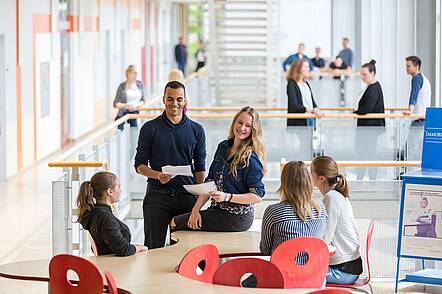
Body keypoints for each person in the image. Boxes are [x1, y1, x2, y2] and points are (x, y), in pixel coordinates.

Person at [134, 80, 206, 249]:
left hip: (186, 196)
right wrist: (157, 175)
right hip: (157, 196)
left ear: (185, 101)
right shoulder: (149, 128)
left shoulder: (197, 130)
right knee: (153, 248)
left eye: (179, 99)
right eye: (170, 99)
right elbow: (139, 165)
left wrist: (199, 197)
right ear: (164, 99)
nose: (175, 103)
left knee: (187, 250)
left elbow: (200, 167)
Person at [171, 106, 266, 232]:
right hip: (218, 210)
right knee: (183, 220)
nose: (242, 128)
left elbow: (256, 196)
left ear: (253, 130)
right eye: (240, 122)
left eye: (247, 125)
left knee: (175, 223)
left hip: (237, 216)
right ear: (234, 123)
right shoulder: (223, 147)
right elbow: (209, 183)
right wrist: (195, 210)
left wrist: (227, 197)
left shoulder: (250, 158)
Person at [310, 156, 363, 284]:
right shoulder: (337, 194)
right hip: (348, 266)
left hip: (343, 271)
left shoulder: (332, 198)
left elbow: (325, 239)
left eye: (311, 171)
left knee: (298, 272)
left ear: (321, 178)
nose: (308, 174)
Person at [260, 160, 327, 255]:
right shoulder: (321, 210)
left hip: (282, 269)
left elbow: (265, 250)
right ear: (308, 181)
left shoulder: (274, 212)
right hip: (315, 269)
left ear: (284, 182)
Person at [77, 171, 148, 256]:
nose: (120, 190)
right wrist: (140, 248)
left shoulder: (95, 212)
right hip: (114, 265)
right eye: (118, 187)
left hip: (109, 263)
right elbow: (123, 249)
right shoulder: (104, 217)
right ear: (110, 191)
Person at [353, 60, 385, 180]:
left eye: (364, 74)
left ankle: (371, 179)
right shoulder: (369, 87)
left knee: (369, 153)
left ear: (373, 73)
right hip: (366, 127)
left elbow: (367, 107)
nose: (362, 77)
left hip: (370, 127)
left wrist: (356, 111)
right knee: (362, 153)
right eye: (361, 74)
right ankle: (361, 178)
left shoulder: (374, 88)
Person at [286, 60, 322, 127]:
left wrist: (316, 109)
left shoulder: (306, 84)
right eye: (306, 67)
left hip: (311, 118)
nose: (308, 69)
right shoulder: (291, 84)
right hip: (299, 121)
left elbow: (312, 102)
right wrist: (311, 110)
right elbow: (294, 105)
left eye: (308, 67)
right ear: (298, 69)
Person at [113, 65, 145, 131]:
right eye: (134, 73)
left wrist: (136, 106)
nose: (136, 75)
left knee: (135, 135)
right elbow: (116, 104)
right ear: (128, 73)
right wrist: (127, 105)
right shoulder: (122, 86)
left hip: (135, 114)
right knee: (122, 137)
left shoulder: (139, 84)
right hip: (123, 114)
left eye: (137, 73)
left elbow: (143, 101)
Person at [403, 56, 431, 126]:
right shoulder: (424, 78)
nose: (406, 68)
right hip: (423, 118)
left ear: (416, 67)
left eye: (408, 66)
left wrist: (410, 110)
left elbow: (414, 95)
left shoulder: (416, 79)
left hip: (419, 119)